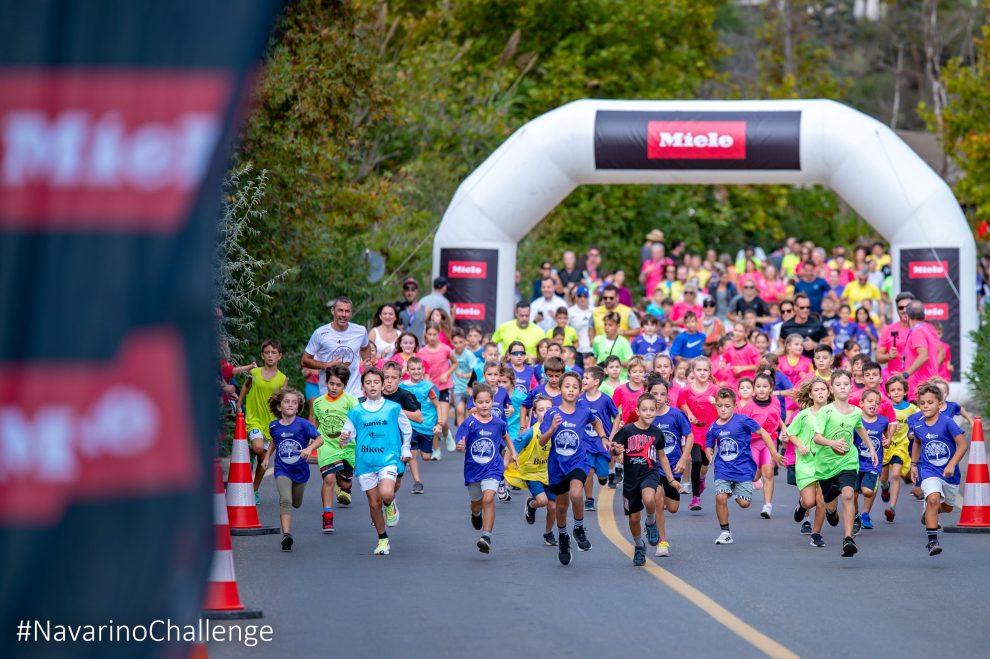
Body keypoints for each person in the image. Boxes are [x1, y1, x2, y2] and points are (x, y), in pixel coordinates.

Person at [340, 368, 412, 556]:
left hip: (388, 459)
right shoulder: (355, 411)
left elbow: (407, 429)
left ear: (382, 385)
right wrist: (345, 437)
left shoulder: (393, 408)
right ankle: (383, 539)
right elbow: (347, 434)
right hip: (365, 462)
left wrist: (405, 448)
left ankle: (390, 504)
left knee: (386, 493)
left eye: (376, 382)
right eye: (368, 383)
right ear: (363, 386)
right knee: (374, 504)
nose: (372, 386)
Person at [539, 372, 608, 566]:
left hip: (579, 461)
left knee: (576, 494)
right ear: (560, 389)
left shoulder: (584, 411)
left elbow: (597, 422)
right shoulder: (552, 413)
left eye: (574, 387)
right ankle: (563, 537)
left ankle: (578, 527)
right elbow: (542, 441)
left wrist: (603, 437)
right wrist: (551, 429)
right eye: (567, 386)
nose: (570, 390)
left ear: (580, 391)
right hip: (557, 465)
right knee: (561, 506)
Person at [612, 393, 683, 565]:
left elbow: (662, 457)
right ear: (638, 411)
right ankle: (638, 546)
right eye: (645, 410)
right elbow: (614, 449)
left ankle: (651, 523)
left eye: (652, 410)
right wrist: (617, 452)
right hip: (631, 479)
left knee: (650, 497)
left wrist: (672, 480)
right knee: (634, 518)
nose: (649, 413)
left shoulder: (657, 433)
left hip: (650, 473)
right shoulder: (627, 430)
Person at [705, 387, 783, 545]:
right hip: (723, 469)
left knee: (744, 503)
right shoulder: (713, 427)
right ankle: (725, 532)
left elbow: (763, 433)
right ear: (716, 406)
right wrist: (709, 453)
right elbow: (709, 446)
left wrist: (774, 452)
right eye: (720, 405)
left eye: (727, 406)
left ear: (734, 406)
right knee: (720, 497)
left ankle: (734, 490)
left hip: (743, 469)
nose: (723, 409)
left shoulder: (742, 420)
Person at [812, 369, 877, 557]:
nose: (842, 387)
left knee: (849, 494)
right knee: (830, 505)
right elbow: (817, 438)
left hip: (848, 460)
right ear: (832, 389)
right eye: (838, 384)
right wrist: (831, 443)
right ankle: (832, 512)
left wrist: (871, 448)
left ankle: (848, 539)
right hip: (826, 465)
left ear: (851, 387)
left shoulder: (856, 411)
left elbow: (860, 428)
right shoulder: (825, 411)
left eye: (846, 384)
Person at [455, 383, 517, 554]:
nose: (484, 405)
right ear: (474, 403)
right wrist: (461, 444)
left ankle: (486, 537)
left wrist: (514, 453)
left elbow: (506, 436)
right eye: (480, 402)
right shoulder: (470, 423)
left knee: (488, 499)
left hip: (493, 468)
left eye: (487, 402)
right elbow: (461, 438)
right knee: (477, 503)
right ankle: (476, 515)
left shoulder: (498, 423)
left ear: (492, 402)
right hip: (473, 470)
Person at [908, 382, 969, 556]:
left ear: (940, 404)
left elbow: (963, 445)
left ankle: (930, 511)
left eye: (930, 402)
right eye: (922, 403)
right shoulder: (918, 424)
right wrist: (914, 465)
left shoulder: (947, 422)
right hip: (929, 470)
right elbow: (917, 442)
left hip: (950, 473)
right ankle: (932, 541)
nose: (926, 406)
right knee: (933, 498)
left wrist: (951, 464)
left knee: (948, 508)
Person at [262, 388, 321, 551]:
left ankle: (288, 527)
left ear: (298, 407)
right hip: (282, 469)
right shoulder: (274, 425)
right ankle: (286, 535)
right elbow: (274, 441)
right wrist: (267, 457)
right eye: (287, 402)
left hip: (301, 470)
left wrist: (309, 449)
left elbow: (320, 438)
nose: (290, 405)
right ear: (279, 406)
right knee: (285, 499)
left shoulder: (303, 424)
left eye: (294, 403)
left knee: (296, 502)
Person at [647, 377, 692, 557]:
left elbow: (690, 437)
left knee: (672, 508)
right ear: (647, 394)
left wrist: (683, 459)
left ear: (668, 396)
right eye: (654, 394)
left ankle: (652, 520)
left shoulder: (676, 415)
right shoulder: (645, 417)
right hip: (651, 468)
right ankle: (662, 542)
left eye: (662, 394)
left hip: (673, 468)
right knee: (658, 500)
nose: (658, 397)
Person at [311, 365, 359, 534]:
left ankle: (344, 483)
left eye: (338, 385)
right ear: (326, 382)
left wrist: (352, 436)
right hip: (327, 446)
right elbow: (314, 423)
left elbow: (358, 424)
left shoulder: (352, 401)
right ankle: (327, 516)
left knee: (344, 481)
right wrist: (311, 441)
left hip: (347, 448)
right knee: (329, 479)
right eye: (331, 384)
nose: (334, 388)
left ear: (345, 386)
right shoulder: (318, 402)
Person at [238, 340, 287, 503]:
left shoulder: (282, 379)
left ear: (279, 356)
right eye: (267, 352)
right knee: (258, 448)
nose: (270, 356)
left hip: (272, 424)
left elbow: (284, 400)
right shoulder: (255, 373)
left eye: (274, 353)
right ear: (262, 355)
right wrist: (239, 404)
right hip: (254, 419)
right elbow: (245, 386)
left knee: (263, 461)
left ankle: (254, 490)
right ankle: (252, 451)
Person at [509, 396, 559, 546]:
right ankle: (531, 504)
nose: (545, 412)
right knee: (542, 501)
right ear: (535, 414)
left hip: (551, 473)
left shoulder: (558, 429)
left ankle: (548, 533)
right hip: (533, 473)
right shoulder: (531, 432)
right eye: (541, 410)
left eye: (548, 409)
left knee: (553, 507)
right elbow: (515, 443)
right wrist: (511, 458)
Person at [787, 377, 829, 545]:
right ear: (810, 395)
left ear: (828, 392)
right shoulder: (803, 415)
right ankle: (802, 505)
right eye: (816, 390)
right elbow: (791, 433)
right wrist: (800, 445)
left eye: (823, 389)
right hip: (806, 462)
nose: (820, 392)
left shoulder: (833, 413)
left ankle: (816, 535)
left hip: (826, 463)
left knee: (821, 501)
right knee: (810, 501)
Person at [302, 296, 371, 398]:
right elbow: (304, 361)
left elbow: (365, 348)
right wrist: (326, 365)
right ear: (333, 311)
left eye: (347, 311)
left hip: (355, 393)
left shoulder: (360, 331)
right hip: (329, 394)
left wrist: (366, 363)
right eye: (340, 310)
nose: (344, 314)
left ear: (351, 313)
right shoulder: (320, 333)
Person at [741, 372, 789, 518]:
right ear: (754, 388)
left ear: (771, 388)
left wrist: (785, 428)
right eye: (758, 386)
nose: (761, 389)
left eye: (765, 386)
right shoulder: (748, 406)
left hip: (770, 442)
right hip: (753, 443)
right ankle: (756, 477)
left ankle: (767, 505)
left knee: (768, 472)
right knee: (754, 475)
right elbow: (742, 426)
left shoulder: (775, 401)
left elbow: (778, 418)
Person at [678, 356, 719, 511]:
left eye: (705, 370)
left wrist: (716, 403)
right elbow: (681, 403)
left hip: (709, 431)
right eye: (699, 370)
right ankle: (696, 498)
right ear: (693, 371)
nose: (702, 373)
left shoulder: (715, 390)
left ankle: (701, 479)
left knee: (704, 463)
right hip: (693, 431)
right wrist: (688, 413)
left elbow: (725, 407)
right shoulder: (687, 389)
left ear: (710, 372)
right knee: (695, 461)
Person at [399, 356, 442, 493]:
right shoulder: (403, 386)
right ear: (408, 371)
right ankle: (417, 482)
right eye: (413, 369)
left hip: (426, 425)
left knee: (426, 457)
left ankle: (432, 444)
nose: (416, 371)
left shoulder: (428, 387)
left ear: (423, 370)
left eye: (419, 369)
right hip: (410, 425)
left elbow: (437, 405)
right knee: (412, 453)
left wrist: (439, 423)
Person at [579, 366, 620, 508]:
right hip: (585, 442)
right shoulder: (579, 400)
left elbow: (617, 416)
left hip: (602, 443)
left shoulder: (605, 400)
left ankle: (603, 477)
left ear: (596, 381)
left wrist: (612, 435)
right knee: (588, 471)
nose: (583, 380)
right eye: (583, 378)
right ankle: (589, 500)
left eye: (586, 378)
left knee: (602, 474)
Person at [853, 389, 889, 533]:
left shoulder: (883, 421)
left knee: (867, 492)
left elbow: (886, 434)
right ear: (861, 403)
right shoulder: (855, 420)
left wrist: (887, 439)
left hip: (873, 464)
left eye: (877, 403)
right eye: (870, 401)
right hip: (855, 463)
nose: (874, 404)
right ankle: (857, 516)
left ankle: (865, 513)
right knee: (853, 494)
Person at [880, 374, 916, 523]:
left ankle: (892, 508)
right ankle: (884, 486)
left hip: (901, 445)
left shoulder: (912, 409)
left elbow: (918, 423)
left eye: (899, 389)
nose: (896, 392)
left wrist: (913, 432)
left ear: (905, 391)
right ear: (888, 392)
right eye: (893, 390)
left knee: (896, 475)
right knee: (883, 477)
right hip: (885, 445)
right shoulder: (884, 407)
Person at [903, 300, 940, 400]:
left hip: (920, 388)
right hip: (925, 387)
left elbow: (923, 356)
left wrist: (905, 374)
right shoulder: (925, 329)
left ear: (908, 316)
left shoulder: (917, 331)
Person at [779, 293, 827, 359]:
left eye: (808, 307)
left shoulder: (817, 324)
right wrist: (784, 351)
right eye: (802, 307)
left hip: (812, 364)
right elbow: (781, 341)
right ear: (795, 308)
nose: (805, 310)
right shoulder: (786, 326)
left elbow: (828, 342)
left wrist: (816, 345)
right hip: (791, 365)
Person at [396, 277, 426, 342]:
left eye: (413, 289)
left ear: (417, 292)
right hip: (402, 348)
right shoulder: (397, 309)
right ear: (403, 292)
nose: (410, 293)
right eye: (407, 289)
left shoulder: (425, 310)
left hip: (418, 350)